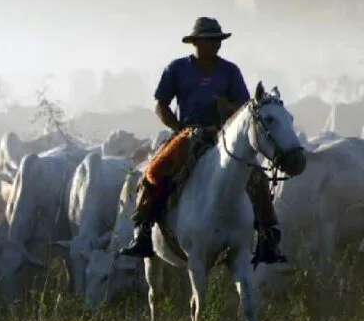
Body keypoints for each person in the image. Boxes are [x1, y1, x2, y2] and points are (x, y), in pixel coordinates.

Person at [119, 17, 287, 266]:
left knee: (257, 177)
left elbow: (243, 109)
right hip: (189, 134)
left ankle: (267, 235)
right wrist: (178, 128)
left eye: (218, 41)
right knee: (155, 170)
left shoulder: (230, 71)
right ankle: (143, 229)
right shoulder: (177, 69)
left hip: (224, 136)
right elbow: (160, 104)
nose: (216, 45)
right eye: (210, 41)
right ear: (196, 42)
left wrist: (226, 107)